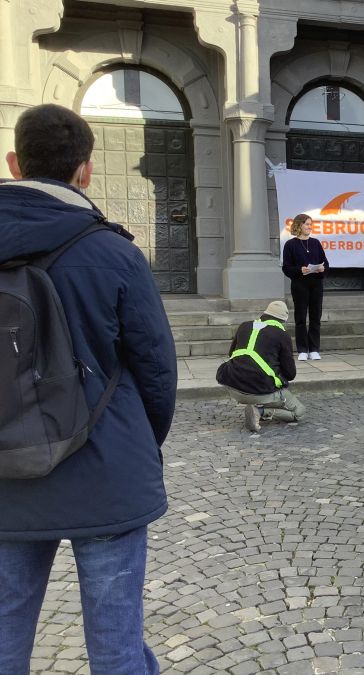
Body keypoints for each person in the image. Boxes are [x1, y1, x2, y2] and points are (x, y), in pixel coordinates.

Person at [0, 104, 177, 673]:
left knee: (4, 631)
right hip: (105, 469)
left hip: (6, 467)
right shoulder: (116, 252)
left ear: (13, 163)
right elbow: (156, 370)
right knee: (116, 643)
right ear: (86, 171)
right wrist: (137, 445)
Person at [216, 300, 305, 432]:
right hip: (259, 389)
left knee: (261, 375)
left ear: (265, 313)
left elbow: (231, 354)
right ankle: (260, 412)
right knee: (299, 412)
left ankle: (257, 404)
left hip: (232, 385)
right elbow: (290, 374)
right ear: (283, 320)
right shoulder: (282, 334)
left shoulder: (244, 326)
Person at [282, 213, 329, 361]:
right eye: (307, 224)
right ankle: (302, 349)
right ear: (299, 225)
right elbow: (286, 268)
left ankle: (314, 349)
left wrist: (322, 269)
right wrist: (299, 270)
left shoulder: (315, 243)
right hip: (299, 285)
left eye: (311, 224)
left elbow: (325, 263)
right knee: (301, 318)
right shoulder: (290, 245)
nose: (310, 227)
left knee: (316, 317)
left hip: (316, 285)